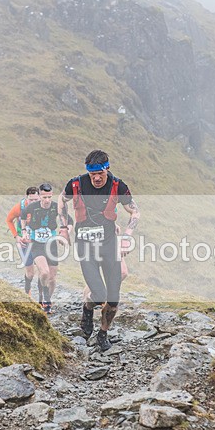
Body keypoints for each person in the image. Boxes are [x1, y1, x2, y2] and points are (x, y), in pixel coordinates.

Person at [58, 150, 140, 351]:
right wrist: (64, 227)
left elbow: (134, 211)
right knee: (99, 293)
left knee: (112, 300)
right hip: (86, 246)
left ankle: (103, 334)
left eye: (100, 174)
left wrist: (127, 236)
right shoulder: (76, 184)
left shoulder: (118, 186)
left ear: (107, 169)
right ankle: (87, 308)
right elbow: (61, 200)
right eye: (92, 173)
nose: (96, 178)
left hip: (109, 245)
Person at [20, 183, 67, 314]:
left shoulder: (56, 207)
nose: (47, 200)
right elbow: (22, 216)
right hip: (37, 244)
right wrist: (24, 231)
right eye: (44, 197)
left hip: (51, 245)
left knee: (52, 278)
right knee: (44, 272)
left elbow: (69, 220)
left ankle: (44, 300)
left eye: (49, 197)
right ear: (40, 196)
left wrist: (65, 231)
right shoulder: (32, 207)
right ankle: (46, 301)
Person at [6, 186, 40, 299]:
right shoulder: (19, 208)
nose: (34, 202)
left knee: (43, 270)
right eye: (31, 200)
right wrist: (16, 236)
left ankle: (43, 299)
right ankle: (27, 293)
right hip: (24, 243)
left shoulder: (43, 207)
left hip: (39, 242)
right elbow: (9, 220)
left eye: (36, 199)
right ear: (26, 198)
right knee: (30, 272)